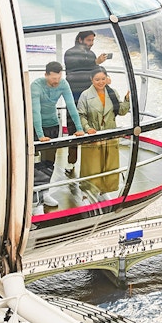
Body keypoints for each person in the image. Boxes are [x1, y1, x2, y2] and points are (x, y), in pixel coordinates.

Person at [31, 61, 84, 208]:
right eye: (53, 79)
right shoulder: (36, 85)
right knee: (32, 163)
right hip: (35, 126)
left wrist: (79, 128)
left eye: (58, 78)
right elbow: (35, 111)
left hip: (53, 125)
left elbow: (71, 106)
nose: (56, 82)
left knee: (49, 161)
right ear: (46, 75)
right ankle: (32, 193)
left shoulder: (63, 83)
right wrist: (40, 135)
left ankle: (45, 192)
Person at [77, 66, 130, 199]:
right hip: (93, 134)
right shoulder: (85, 95)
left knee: (109, 163)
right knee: (92, 164)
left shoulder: (112, 93)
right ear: (91, 80)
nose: (101, 82)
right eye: (97, 79)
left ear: (107, 78)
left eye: (103, 79)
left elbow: (121, 111)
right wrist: (87, 128)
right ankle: (88, 190)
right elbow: (80, 115)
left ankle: (106, 188)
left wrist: (127, 99)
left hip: (110, 133)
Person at [64, 31, 108, 175]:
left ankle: (91, 163)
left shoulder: (91, 54)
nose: (91, 43)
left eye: (92, 40)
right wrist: (95, 63)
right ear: (80, 39)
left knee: (91, 126)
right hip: (75, 96)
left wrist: (103, 76)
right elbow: (75, 66)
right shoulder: (70, 53)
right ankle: (71, 162)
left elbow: (94, 72)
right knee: (74, 128)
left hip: (89, 96)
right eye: (89, 40)